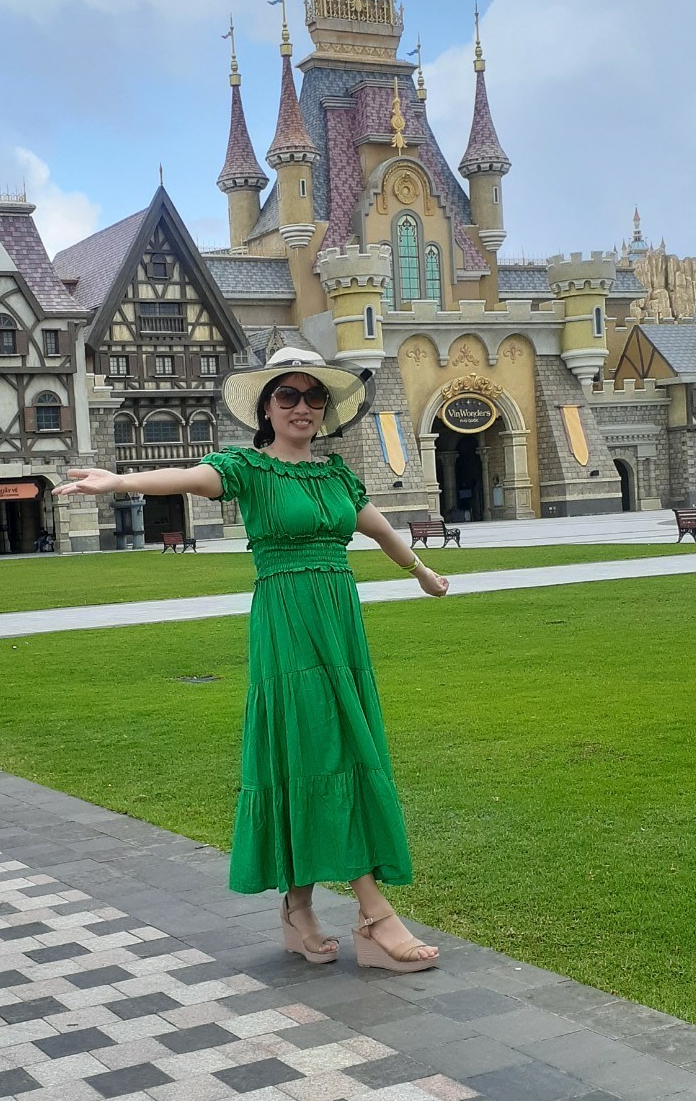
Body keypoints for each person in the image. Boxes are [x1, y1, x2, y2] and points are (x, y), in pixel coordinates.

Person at [55, 347, 449, 972]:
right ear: (266, 408)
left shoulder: (336, 476)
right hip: (287, 625)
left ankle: (298, 908)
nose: (301, 407)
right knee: (323, 746)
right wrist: (118, 481)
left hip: (340, 625)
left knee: (325, 746)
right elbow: (187, 478)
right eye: (287, 395)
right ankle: (374, 914)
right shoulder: (247, 469)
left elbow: (378, 529)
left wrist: (421, 571)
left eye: (313, 396)